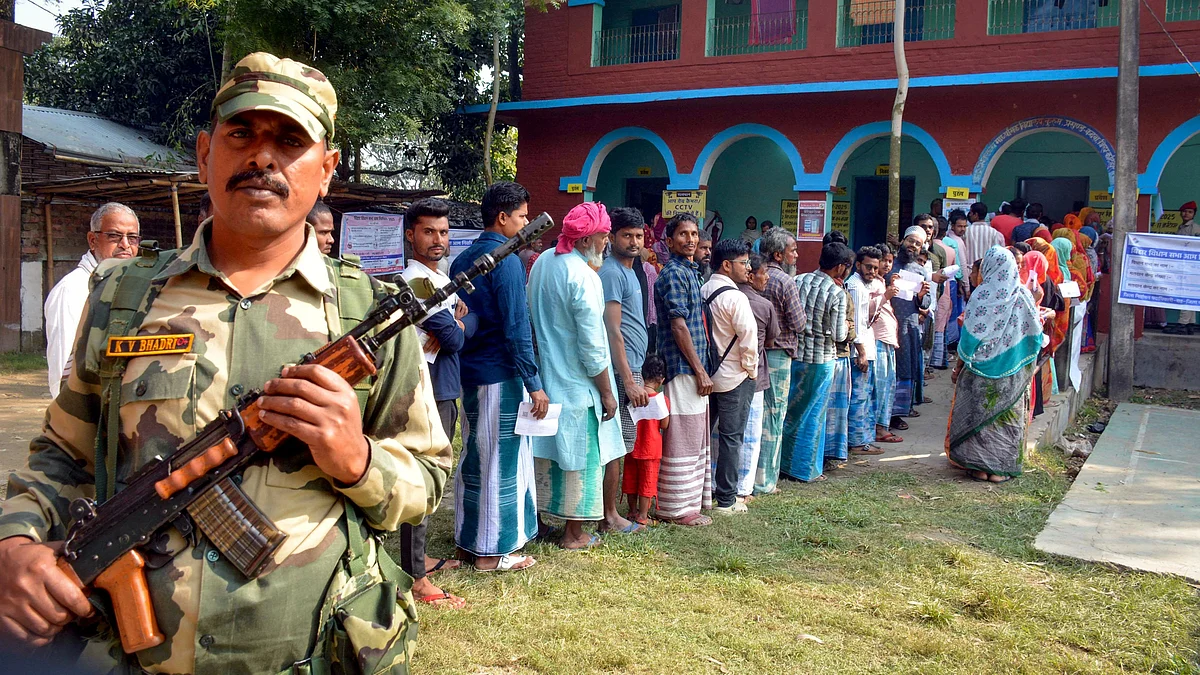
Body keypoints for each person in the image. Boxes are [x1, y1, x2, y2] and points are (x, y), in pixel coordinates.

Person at [1, 52, 452, 671]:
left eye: (290, 141)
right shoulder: (122, 295)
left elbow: (426, 479)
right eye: (242, 134)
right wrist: (17, 542)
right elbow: (62, 453)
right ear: (206, 153)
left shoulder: (368, 318)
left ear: (326, 170)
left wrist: (357, 458)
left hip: (312, 656)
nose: (262, 157)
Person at [452, 180, 547, 572]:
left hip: (469, 372)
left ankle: (469, 540)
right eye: (523, 216)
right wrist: (535, 383)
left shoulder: (462, 260)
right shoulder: (506, 259)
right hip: (499, 373)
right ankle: (492, 552)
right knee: (500, 461)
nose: (526, 224)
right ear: (503, 217)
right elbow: (516, 327)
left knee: (475, 455)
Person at [528, 202, 625, 549]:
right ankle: (573, 533)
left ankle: (536, 522)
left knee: (544, 453)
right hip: (579, 383)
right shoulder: (584, 276)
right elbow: (593, 346)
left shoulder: (542, 263)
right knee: (581, 457)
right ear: (585, 240)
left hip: (545, 376)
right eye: (602, 237)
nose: (605, 244)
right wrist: (607, 392)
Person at [399, 197, 475, 609]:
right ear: (411, 234)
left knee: (433, 480)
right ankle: (415, 577)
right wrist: (459, 324)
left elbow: (461, 327)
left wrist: (460, 319)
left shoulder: (437, 279)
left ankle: (419, 560)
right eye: (429, 231)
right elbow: (456, 338)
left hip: (444, 384)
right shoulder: (416, 281)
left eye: (443, 232)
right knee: (423, 479)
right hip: (427, 388)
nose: (438, 240)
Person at [947, 246, 1043, 483]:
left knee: (978, 415)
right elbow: (1036, 335)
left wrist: (959, 366)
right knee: (1006, 417)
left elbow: (969, 338)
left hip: (979, 370)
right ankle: (1000, 469)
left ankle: (979, 466)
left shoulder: (981, 295)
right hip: (1013, 370)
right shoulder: (1023, 295)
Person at [43, 202, 140, 398]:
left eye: (132, 238)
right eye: (114, 236)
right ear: (92, 240)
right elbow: (63, 370)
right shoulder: (73, 290)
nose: (125, 245)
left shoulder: (128, 286)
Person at [653, 213, 713, 526]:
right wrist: (700, 370)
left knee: (694, 435)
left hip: (693, 366)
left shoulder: (690, 271)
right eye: (682, 235)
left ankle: (689, 503)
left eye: (693, 234)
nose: (689, 240)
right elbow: (678, 326)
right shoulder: (674, 274)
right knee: (682, 437)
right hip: (681, 368)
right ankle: (674, 508)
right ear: (669, 240)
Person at [780, 242, 853, 483]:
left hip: (795, 354)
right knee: (813, 415)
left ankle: (781, 463)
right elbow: (839, 334)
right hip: (821, 360)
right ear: (840, 267)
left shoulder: (799, 280)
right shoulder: (836, 293)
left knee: (790, 410)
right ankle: (804, 469)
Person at [598, 206, 650, 534]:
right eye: (627, 235)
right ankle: (608, 516)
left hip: (632, 366)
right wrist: (629, 380)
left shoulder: (631, 270)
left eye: (638, 236)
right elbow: (611, 329)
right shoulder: (612, 272)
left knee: (624, 442)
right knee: (616, 443)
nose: (633, 241)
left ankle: (611, 513)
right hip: (620, 371)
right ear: (612, 238)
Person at [701, 239, 759, 514]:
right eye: (743, 263)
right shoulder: (735, 297)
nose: (747, 268)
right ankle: (726, 499)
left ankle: (697, 494)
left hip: (705, 375)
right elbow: (749, 338)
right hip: (734, 377)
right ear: (726, 265)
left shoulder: (703, 290)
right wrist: (750, 370)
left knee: (701, 436)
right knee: (731, 438)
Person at [755, 228, 805, 495]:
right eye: (792, 250)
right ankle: (765, 481)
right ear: (778, 254)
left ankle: (754, 475)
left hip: (756, 352)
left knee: (756, 415)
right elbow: (798, 323)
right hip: (778, 354)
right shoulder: (785, 281)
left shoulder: (755, 275)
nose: (795, 255)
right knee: (773, 416)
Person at [736, 254, 778, 501]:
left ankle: (717, 481)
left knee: (724, 433)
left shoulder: (722, 295)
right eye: (764, 273)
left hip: (725, 374)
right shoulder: (763, 305)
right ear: (750, 275)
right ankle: (743, 488)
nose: (768, 277)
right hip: (755, 374)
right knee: (751, 433)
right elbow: (771, 341)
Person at [890, 227, 934, 422]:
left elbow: (926, 303)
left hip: (909, 327)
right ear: (902, 241)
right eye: (910, 241)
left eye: (917, 244)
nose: (913, 246)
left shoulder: (920, 271)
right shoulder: (888, 265)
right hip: (888, 325)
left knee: (906, 367)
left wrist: (922, 296)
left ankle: (899, 413)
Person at [845, 246, 885, 456]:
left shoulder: (864, 285)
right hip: (858, 352)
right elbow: (855, 323)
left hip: (866, 348)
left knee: (865, 396)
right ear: (858, 265)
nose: (872, 271)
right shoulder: (855, 286)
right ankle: (857, 442)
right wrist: (860, 352)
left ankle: (863, 440)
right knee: (859, 398)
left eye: (875, 268)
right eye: (868, 267)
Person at [622, 354, 668, 526]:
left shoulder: (633, 396)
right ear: (661, 380)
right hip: (651, 447)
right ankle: (643, 515)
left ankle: (632, 511)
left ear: (641, 375)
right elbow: (664, 423)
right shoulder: (661, 400)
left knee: (631, 478)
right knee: (647, 481)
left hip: (632, 444)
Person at [870, 243, 904, 443]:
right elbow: (867, 309)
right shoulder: (873, 285)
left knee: (887, 385)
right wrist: (886, 295)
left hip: (886, 339)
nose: (887, 265)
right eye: (884, 261)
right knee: (880, 386)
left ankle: (881, 425)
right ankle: (878, 428)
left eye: (890, 261)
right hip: (878, 339)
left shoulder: (882, 282)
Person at [962, 202, 1004, 284]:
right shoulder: (996, 234)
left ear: (976, 215)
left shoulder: (965, 232)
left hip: (969, 275)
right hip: (989, 276)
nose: (969, 215)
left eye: (970, 212)